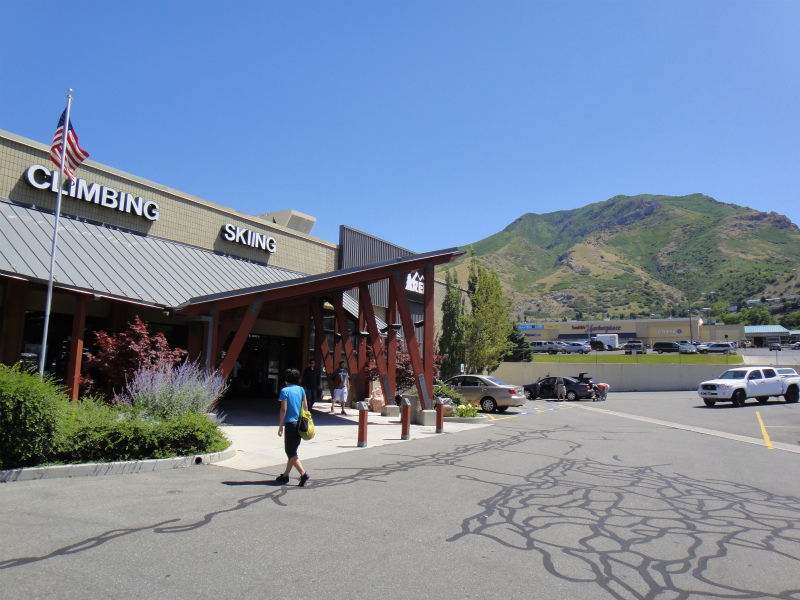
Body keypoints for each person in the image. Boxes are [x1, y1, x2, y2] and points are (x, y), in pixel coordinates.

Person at [277, 368, 310, 487]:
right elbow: (305, 406)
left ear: (286, 379)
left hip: (290, 423)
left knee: (289, 451)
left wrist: (280, 426)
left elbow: (283, 409)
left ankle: (303, 473)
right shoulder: (301, 389)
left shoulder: (285, 391)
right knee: (293, 450)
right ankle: (285, 475)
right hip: (300, 423)